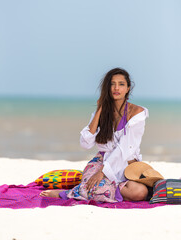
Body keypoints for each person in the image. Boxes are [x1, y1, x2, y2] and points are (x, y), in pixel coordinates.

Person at [40, 67, 149, 202]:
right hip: (101, 161)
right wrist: (99, 110)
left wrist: (102, 172)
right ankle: (88, 191)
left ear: (128, 88)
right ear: (107, 88)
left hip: (125, 164)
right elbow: (85, 143)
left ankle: (81, 191)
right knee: (94, 186)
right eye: (112, 84)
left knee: (140, 192)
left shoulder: (137, 113)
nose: (116, 88)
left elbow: (125, 149)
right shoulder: (102, 112)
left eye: (121, 84)